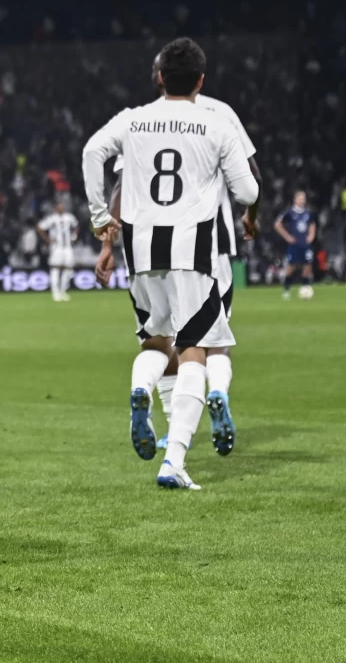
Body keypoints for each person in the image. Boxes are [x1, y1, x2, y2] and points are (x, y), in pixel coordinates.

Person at [83, 38, 258, 490]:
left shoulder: (133, 119)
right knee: (196, 349)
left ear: (159, 77)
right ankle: (174, 461)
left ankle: (141, 389)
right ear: (200, 80)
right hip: (193, 251)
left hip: (141, 251)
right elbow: (248, 191)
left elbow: (92, 153)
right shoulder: (216, 122)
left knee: (156, 341)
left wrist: (100, 218)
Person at [275, 191, 316, 300]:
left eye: (303, 199)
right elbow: (277, 224)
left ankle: (304, 288)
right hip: (295, 244)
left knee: (307, 266)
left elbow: (312, 224)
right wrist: (287, 237)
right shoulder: (289, 212)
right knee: (292, 267)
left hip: (305, 244)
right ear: (295, 200)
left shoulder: (308, 213)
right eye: (300, 198)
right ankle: (286, 290)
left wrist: (311, 236)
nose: (302, 201)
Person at [37, 199, 78, 302]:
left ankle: (63, 291)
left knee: (68, 269)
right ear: (56, 208)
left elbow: (76, 226)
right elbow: (40, 227)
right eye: (59, 206)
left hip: (67, 247)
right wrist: (47, 239)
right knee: (55, 268)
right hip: (56, 248)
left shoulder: (69, 217)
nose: (61, 208)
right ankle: (55, 292)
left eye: (62, 206)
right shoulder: (51, 219)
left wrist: (74, 236)